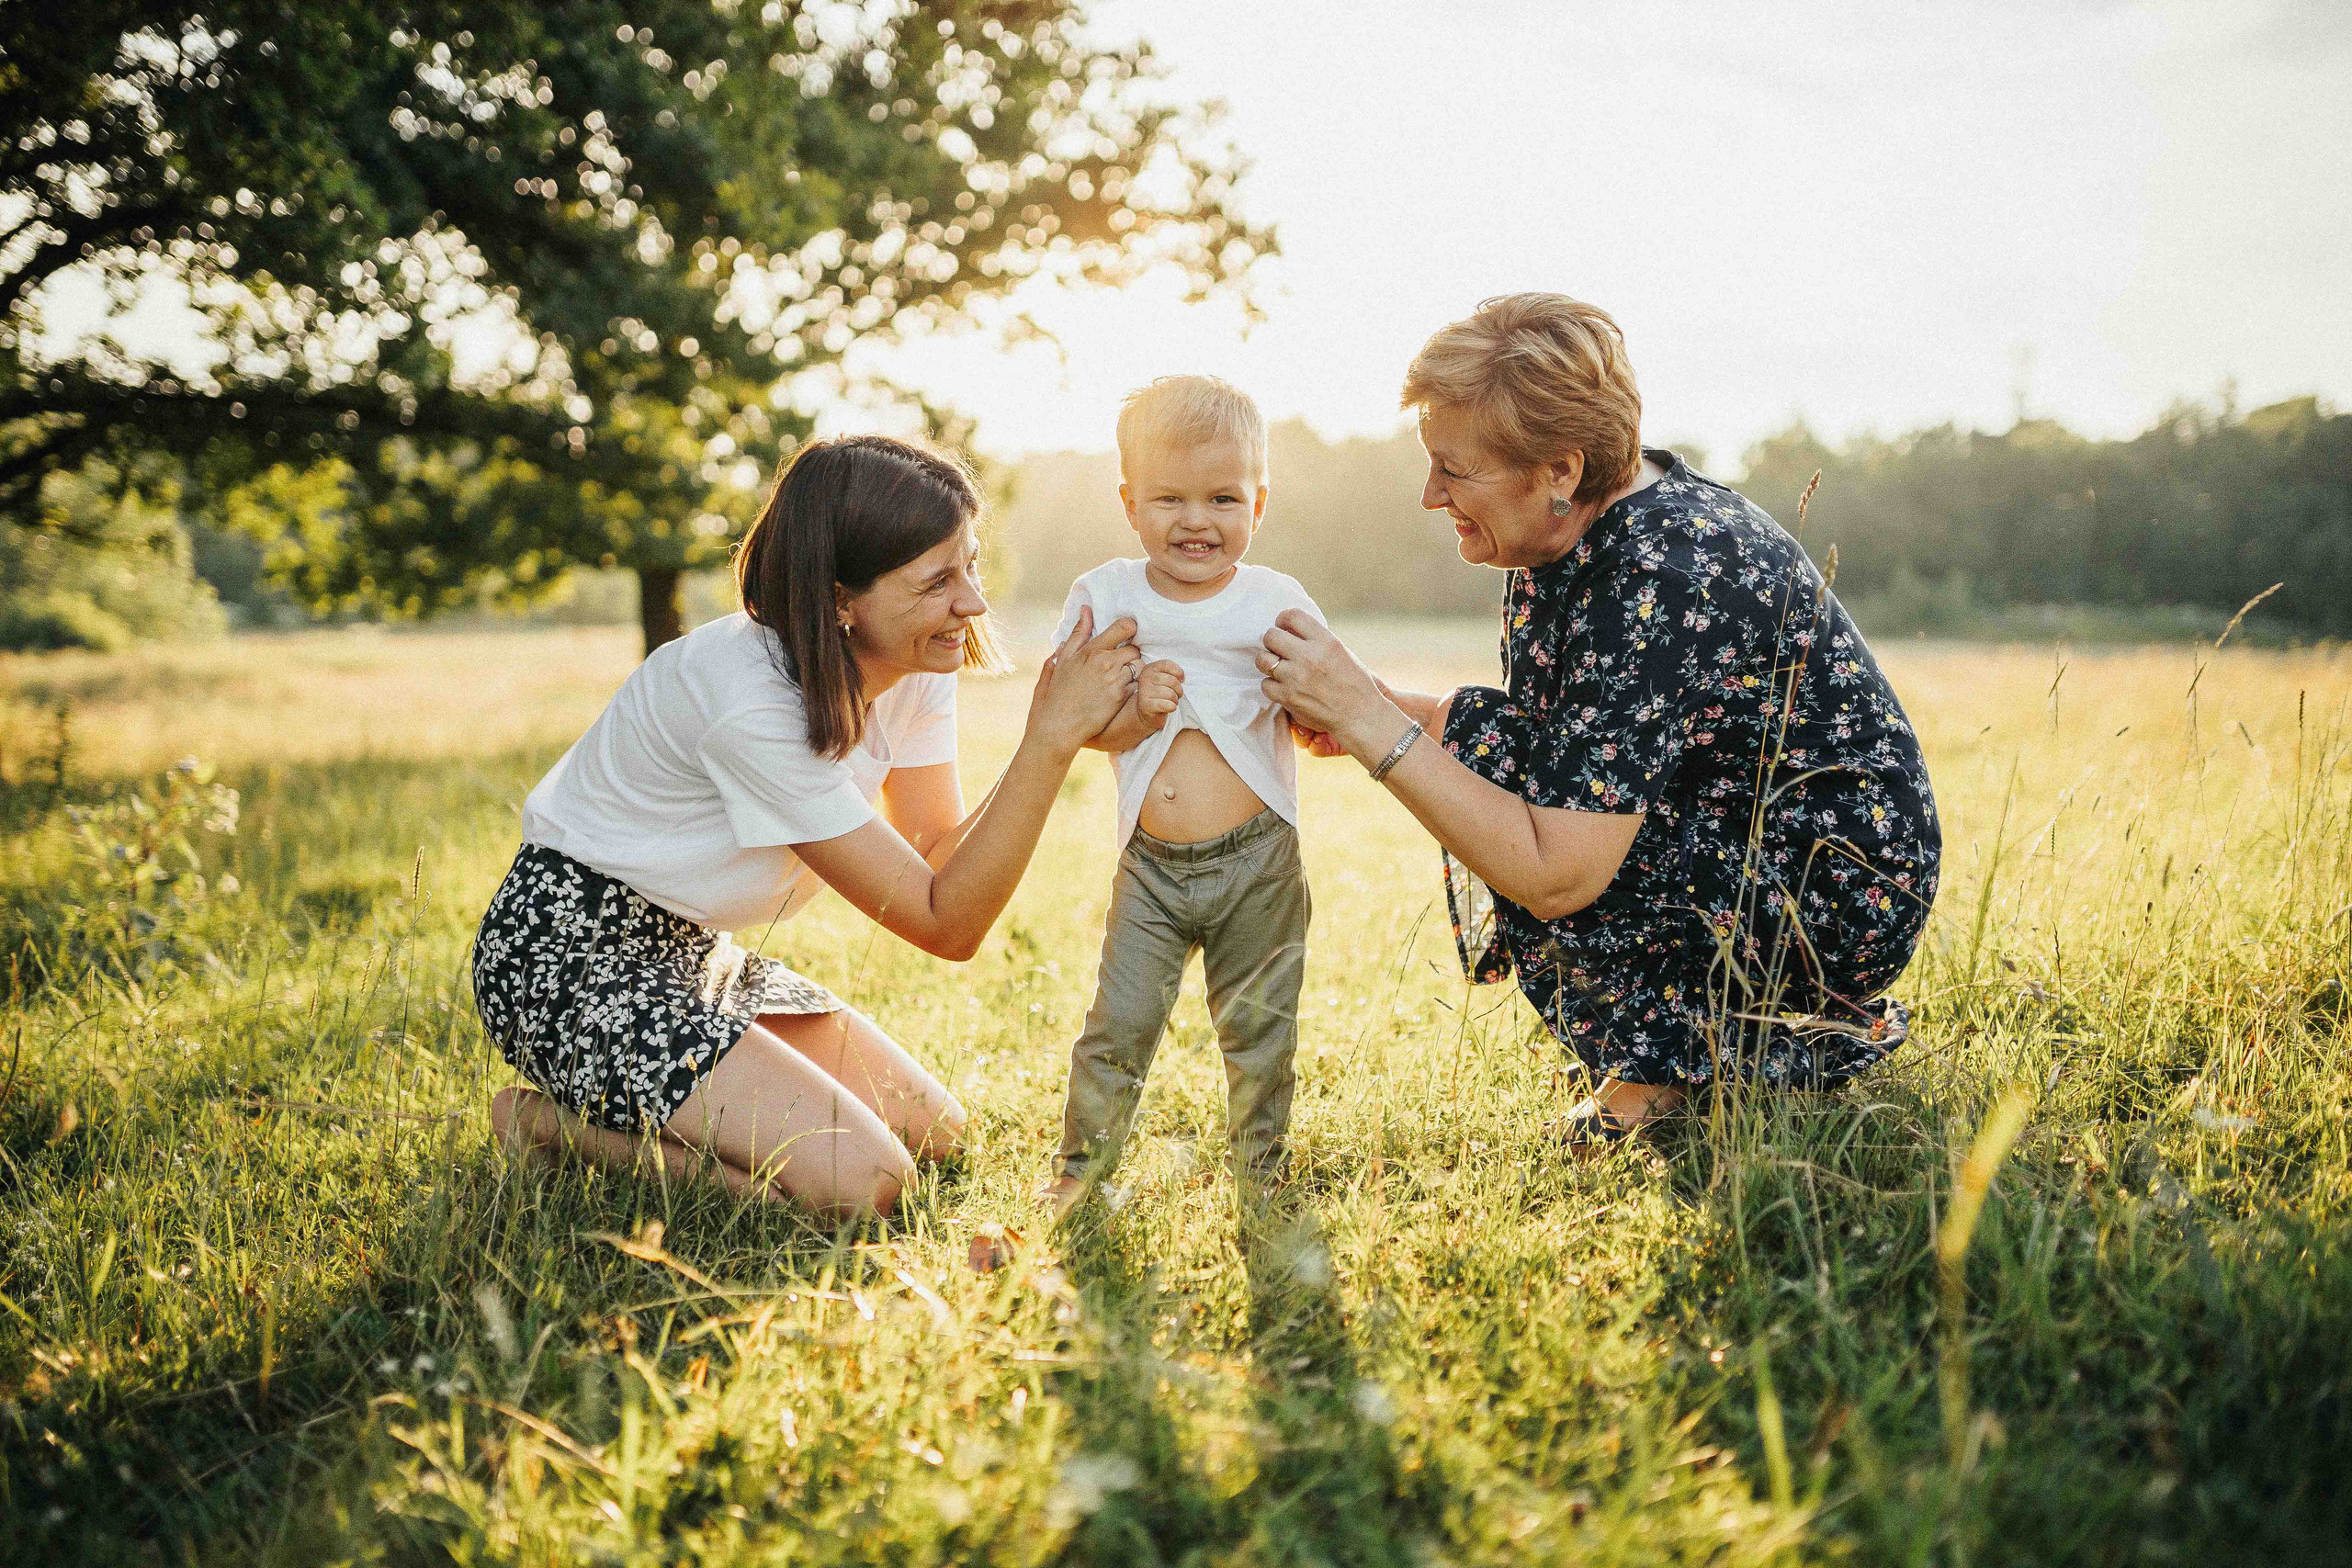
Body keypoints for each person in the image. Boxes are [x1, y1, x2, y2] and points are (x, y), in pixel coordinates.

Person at [1263, 294, 1940, 1146]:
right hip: (1735, 840)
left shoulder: (1658, 572)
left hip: (1830, 887)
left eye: (1455, 470)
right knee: (1503, 753)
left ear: (1560, 471)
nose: (1431, 494)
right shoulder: (1569, 532)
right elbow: (1562, 747)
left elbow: (1559, 869)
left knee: (1543, 823)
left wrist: (1369, 724)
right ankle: (1677, 1055)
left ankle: (1671, 1071)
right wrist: (1366, 699)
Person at [472, 434, 1143, 1217]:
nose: (973, 603)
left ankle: (641, 1112)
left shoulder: (914, 663)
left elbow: (936, 856)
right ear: (838, 602)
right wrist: (1049, 741)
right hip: (569, 960)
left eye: (971, 564)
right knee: (867, 1185)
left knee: (935, 1133)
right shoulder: (749, 704)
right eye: (936, 581)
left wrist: (1053, 740)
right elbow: (943, 922)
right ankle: (548, 1124)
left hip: (697, 954)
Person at [1044, 377, 1323, 1213]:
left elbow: (1324, 700)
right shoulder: (1106, 596)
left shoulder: (1277, 599)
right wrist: (1133, 710)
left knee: (1260, 1030)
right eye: (1169, 497)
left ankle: (1261, 1172)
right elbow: (1072, 725)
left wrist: (1309, 704)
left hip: (1260, 862)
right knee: (1119, 1024)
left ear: (1259, 502)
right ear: (1129, 502)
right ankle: (1078, 1176)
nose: (1196, 520)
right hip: (1152, 868)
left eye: (1222, 497)